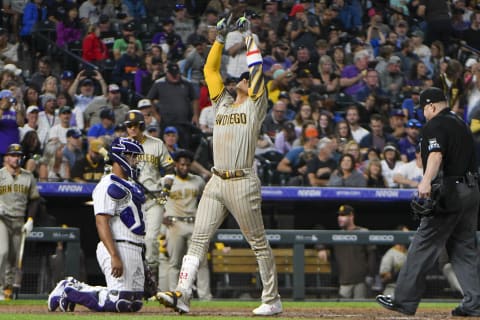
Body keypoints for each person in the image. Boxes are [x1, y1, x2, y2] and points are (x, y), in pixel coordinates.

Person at [156, 16, 283, 316]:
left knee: (258, 243)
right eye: (236, 78)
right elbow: (209, 69)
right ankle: (183, 293)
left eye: (243, 79)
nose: (239, 79)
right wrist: (220, 38)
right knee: (198, 239)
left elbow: (256, 69)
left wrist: (249, 37)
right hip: (215, 181)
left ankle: (272, 298)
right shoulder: (221, 104)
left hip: (242, 181)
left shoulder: (255, 103)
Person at [376, 87, 480, 316]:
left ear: (431, 106)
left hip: (450, 191)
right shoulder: (460, 123)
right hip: (471, 190)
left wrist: (425, 181)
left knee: (423, 244)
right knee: (464, 249)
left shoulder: (435, 124)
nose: (423, 113)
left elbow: (435, 154)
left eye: (424, 108)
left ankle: (403, 300)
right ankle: (475, 303)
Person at [47, 137, 147, 312]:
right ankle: (69, 288)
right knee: (118, 301)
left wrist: (143, 260)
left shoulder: (133, 185)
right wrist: (114, 255)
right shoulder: (108, 184)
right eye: (132, 156)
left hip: (135, 247)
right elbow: (102, 222)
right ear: (120, 156)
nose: (136, 160)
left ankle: (74, 288)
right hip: (117, 246)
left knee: (134, 303)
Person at [124, 110, 174, 290]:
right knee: (130, 240)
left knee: (151, 239)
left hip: (153, 199)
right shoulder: (122, 146)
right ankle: (132, 282)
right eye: (128, 126)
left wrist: (166, 191)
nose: (131, 129)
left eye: (134, 125)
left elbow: (169, 169)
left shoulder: (156, 144)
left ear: (142, 126)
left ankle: (150, 282)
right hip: (131, 200)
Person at [162, 150, 212, 300]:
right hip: (174, 224)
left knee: (200, 262)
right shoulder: (167, 181)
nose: (184, 167)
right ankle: (174, 295)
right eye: (182, 164)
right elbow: (156, 202)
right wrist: (161, 217)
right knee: (175, 262)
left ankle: (205, 297)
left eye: (187, 165)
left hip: (194, 223)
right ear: (176, 164)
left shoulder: (198, 180)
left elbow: (206, 200)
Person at [0, 144, 40, 300]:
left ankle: (7, 290)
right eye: (13, 155)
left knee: (14, 258)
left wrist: (30, 219)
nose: (16, 158)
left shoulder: (28, 176)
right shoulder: (0, 174)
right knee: (2, 252)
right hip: (2, 219)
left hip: (19, 219)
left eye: (19, 155)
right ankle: (0, 288)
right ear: (7, 157)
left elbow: (34, 200)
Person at [317, 204, 376, 299]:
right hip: (344, 281)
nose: (340, 218)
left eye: (343, 215)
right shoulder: (337, 236)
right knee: (343, 309)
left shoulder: (363, 232)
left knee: (361, 309)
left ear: (351, 216)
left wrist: (370, 275)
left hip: (361, 281)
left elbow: (372, 255)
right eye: (339, 215)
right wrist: (321, 248)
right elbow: (318, 232)